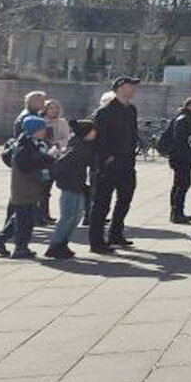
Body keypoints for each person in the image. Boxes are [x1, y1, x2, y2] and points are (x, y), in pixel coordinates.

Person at [89, 77, 142, 252]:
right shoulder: (105, 111)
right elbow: (98, 138)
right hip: (110, 163)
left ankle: (116, 234)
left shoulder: (131, 109)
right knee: (102, 203)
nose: (133, 89)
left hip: (127, 161)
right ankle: (97, 242)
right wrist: (107, 157)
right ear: (119, 88)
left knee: (125, 198)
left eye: (133, 86)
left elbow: (133, 133)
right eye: (129, 86)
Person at [0, 116, 50, 258]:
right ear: (33, 130)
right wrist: (45, 163)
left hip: (27, 187)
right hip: (24, 188)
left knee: (21, 217)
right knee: (25, 221)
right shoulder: (25, 146)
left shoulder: (32, 143)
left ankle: (0, 240)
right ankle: (20, 248)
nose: (44, 131)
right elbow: (26, 166)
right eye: (41, 129)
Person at [46, 119, 98, 259]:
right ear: (86, 132)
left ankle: (63, 243)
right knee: (68, 216)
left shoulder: (83, 145)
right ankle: (55, 245)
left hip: (78, 184)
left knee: (76, 216)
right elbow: (60, 166)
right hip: (70, 185)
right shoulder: (76, 147)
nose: (95, 133)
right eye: (93, 130)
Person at [166, 98, 191, 224]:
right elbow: (180, 140)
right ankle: (177, 213)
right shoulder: (185, 119)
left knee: (179, 184)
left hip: (182, 156)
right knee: (182, 184)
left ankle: (176, 212)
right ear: (189, 106)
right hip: (181, 157)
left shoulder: (189, 118)